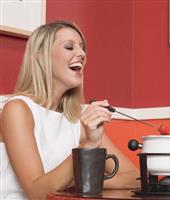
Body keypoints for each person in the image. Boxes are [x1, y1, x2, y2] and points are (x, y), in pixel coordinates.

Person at [0, 21, 139, 199]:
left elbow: (135, 178)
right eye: (69, 47)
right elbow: (37, 194)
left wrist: (83, 182)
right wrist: (86, 147)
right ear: (40, 56)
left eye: (82, 48)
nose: (81, 54)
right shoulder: (17, 110)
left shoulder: (79, 120)